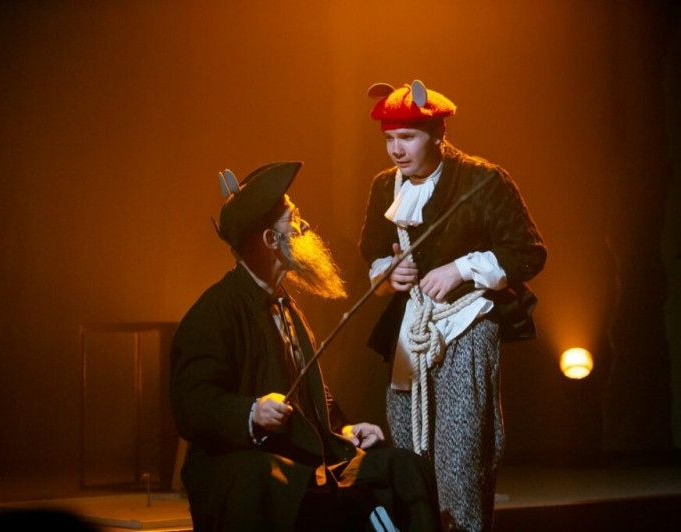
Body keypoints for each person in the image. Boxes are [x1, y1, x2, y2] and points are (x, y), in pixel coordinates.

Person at [170, 161, 442, 531]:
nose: (305, 226)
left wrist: (344, 428)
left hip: (304, 457)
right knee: (303, 488)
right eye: (294, 219)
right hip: (246, 466)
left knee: (405, 468)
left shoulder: (285, 304)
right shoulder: (214, 312)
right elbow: (191, 404)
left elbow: (312, 392)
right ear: (271, 240)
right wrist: (251, 412)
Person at [359, 80, 547, 531]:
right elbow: (373, 251)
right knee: (407, 450)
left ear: (437, 134)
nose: (397, 150)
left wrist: (461, 269)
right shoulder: (385, 186)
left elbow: (528, 252)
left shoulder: (483, 180)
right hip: (413, 328)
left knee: (461, 454)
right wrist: (387, 272)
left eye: (408, 138)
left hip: (467, 323)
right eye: (390, 139)